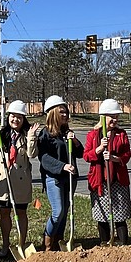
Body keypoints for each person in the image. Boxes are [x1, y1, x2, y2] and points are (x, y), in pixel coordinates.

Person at [0, 100, 39, 257]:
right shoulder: (2, 134)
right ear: (8, 117)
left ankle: (21, 244)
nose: (15, 120)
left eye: (19, 117)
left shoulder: (26, 134)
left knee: (21, 213)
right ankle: (5, 246)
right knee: (4, 213)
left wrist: (31, 137)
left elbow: (32, 154)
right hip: (3, 181)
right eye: (12, 116)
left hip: (20, 181)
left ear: (23, 119)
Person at [37, 95, 84, 251]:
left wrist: (75, 141)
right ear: (53, 113)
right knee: (58, 212)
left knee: (65, 212)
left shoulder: (67, 132)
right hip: (54, 177)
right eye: (61, 112)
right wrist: (62, 166)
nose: (65, 115)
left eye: (66, 112)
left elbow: (80, 153)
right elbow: (43, 158)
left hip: (70, 178)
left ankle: (59, 241)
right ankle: (48, 243)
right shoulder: (45, 134)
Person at [83, 99, 131, 245]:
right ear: (103, 117)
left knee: (119, 214)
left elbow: (127, 154)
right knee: (102, 215)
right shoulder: (93, 135)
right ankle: (104, 242)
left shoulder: (121, 134)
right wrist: (98, 149)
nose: (115, 119)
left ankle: (123, 244)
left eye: (117, 116)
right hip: (100, 180)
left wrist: (114, 158)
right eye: (112, 116)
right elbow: (86, 155)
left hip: (117, 180)